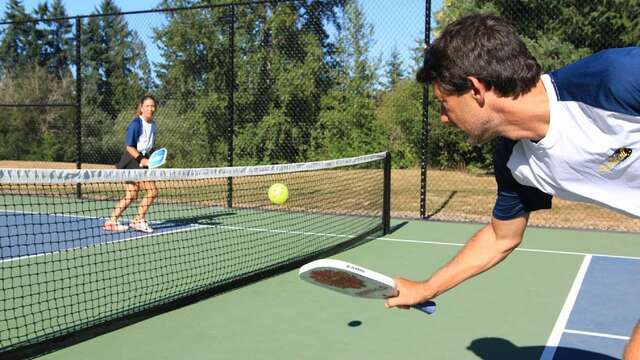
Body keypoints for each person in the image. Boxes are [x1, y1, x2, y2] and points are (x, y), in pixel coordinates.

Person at [383, 14, 640, 359]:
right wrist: (427, 287)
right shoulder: (514, 159)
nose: (444, 118)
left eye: (444, 104)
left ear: (475, 90)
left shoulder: (616, 79)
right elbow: (501, 237)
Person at [103, 94, 159, 233]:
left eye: (153, 106)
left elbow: (148, 146)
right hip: (132, 160)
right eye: (147, 106)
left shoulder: (153, 125)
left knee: (131, 195)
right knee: (152, 191)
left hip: (142, 160)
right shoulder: (135, 124)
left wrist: (152, 158)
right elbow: (129, 147)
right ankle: (138, 220)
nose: (150, 109)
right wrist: (142, 160)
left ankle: (111, 222)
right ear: (141, 108)